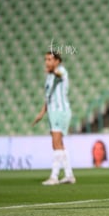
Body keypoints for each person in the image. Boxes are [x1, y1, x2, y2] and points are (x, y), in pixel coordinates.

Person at [32, 51, 76, 185]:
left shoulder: (61, 71)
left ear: (57, 61)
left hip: (60, 111)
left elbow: (60, 74)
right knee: (59, 144)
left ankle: (54, 176)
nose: (47, 62)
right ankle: (69, 175)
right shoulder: (49, 78)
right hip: (52, 112)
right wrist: (41, 113)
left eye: (50, 59)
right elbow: (48, 97)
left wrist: (52, 71)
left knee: (56, 143)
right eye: (46, 59)